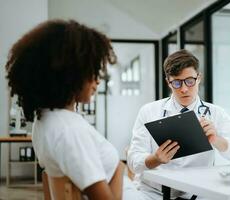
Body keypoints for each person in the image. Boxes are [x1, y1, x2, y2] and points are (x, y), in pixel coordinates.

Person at [5, 19, 143, 200]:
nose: (98, 80)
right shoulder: (69, 130)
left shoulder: (45, 120)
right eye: (92, 71)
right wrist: (120, 168)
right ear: (70, 74)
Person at [127, 49, 230, 200]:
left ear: (199, 78)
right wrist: (155, 159)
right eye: (177, 83)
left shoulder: (215, 113)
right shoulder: (149, 111)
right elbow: (133, 162)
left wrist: (217, 140)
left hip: (197, 194)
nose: (184, 89)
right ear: (168, 82)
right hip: (153, 193)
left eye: (190, 81)